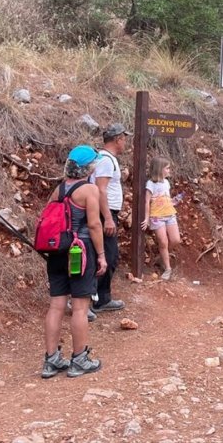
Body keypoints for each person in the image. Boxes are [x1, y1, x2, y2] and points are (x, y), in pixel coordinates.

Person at [41, 145, 108, 379]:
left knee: (56, 305)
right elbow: (94, 225)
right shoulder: (89, 190)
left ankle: (51, 360)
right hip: (80, 252)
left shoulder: (58, 189)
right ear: (88, 168)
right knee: (80, 307)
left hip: (57, 251)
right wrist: (101, 255)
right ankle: (79, 360)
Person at [92, 123, 131, 313]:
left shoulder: (105, 159)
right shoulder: (106, 160)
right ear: (117, 139)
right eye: (124, 139)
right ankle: (97, 299)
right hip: (104, 214)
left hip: (105, 212)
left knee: (108, 255)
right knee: (109, 256)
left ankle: (100, 297)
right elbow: (101, 189)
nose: (125, 143)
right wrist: (107, 218)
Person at [141, 156, 181, 280]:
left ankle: (162, 257)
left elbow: (165, 198)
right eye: (167, 168)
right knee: (163, 242)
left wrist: (173, 201)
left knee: (175, 240)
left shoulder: (166, 183)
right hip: (157, 216)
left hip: (169, 213)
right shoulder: (150, 184)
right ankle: (168, 268)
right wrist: (146, 218)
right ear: (160, 169)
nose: (169, 170)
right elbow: (147, 202)